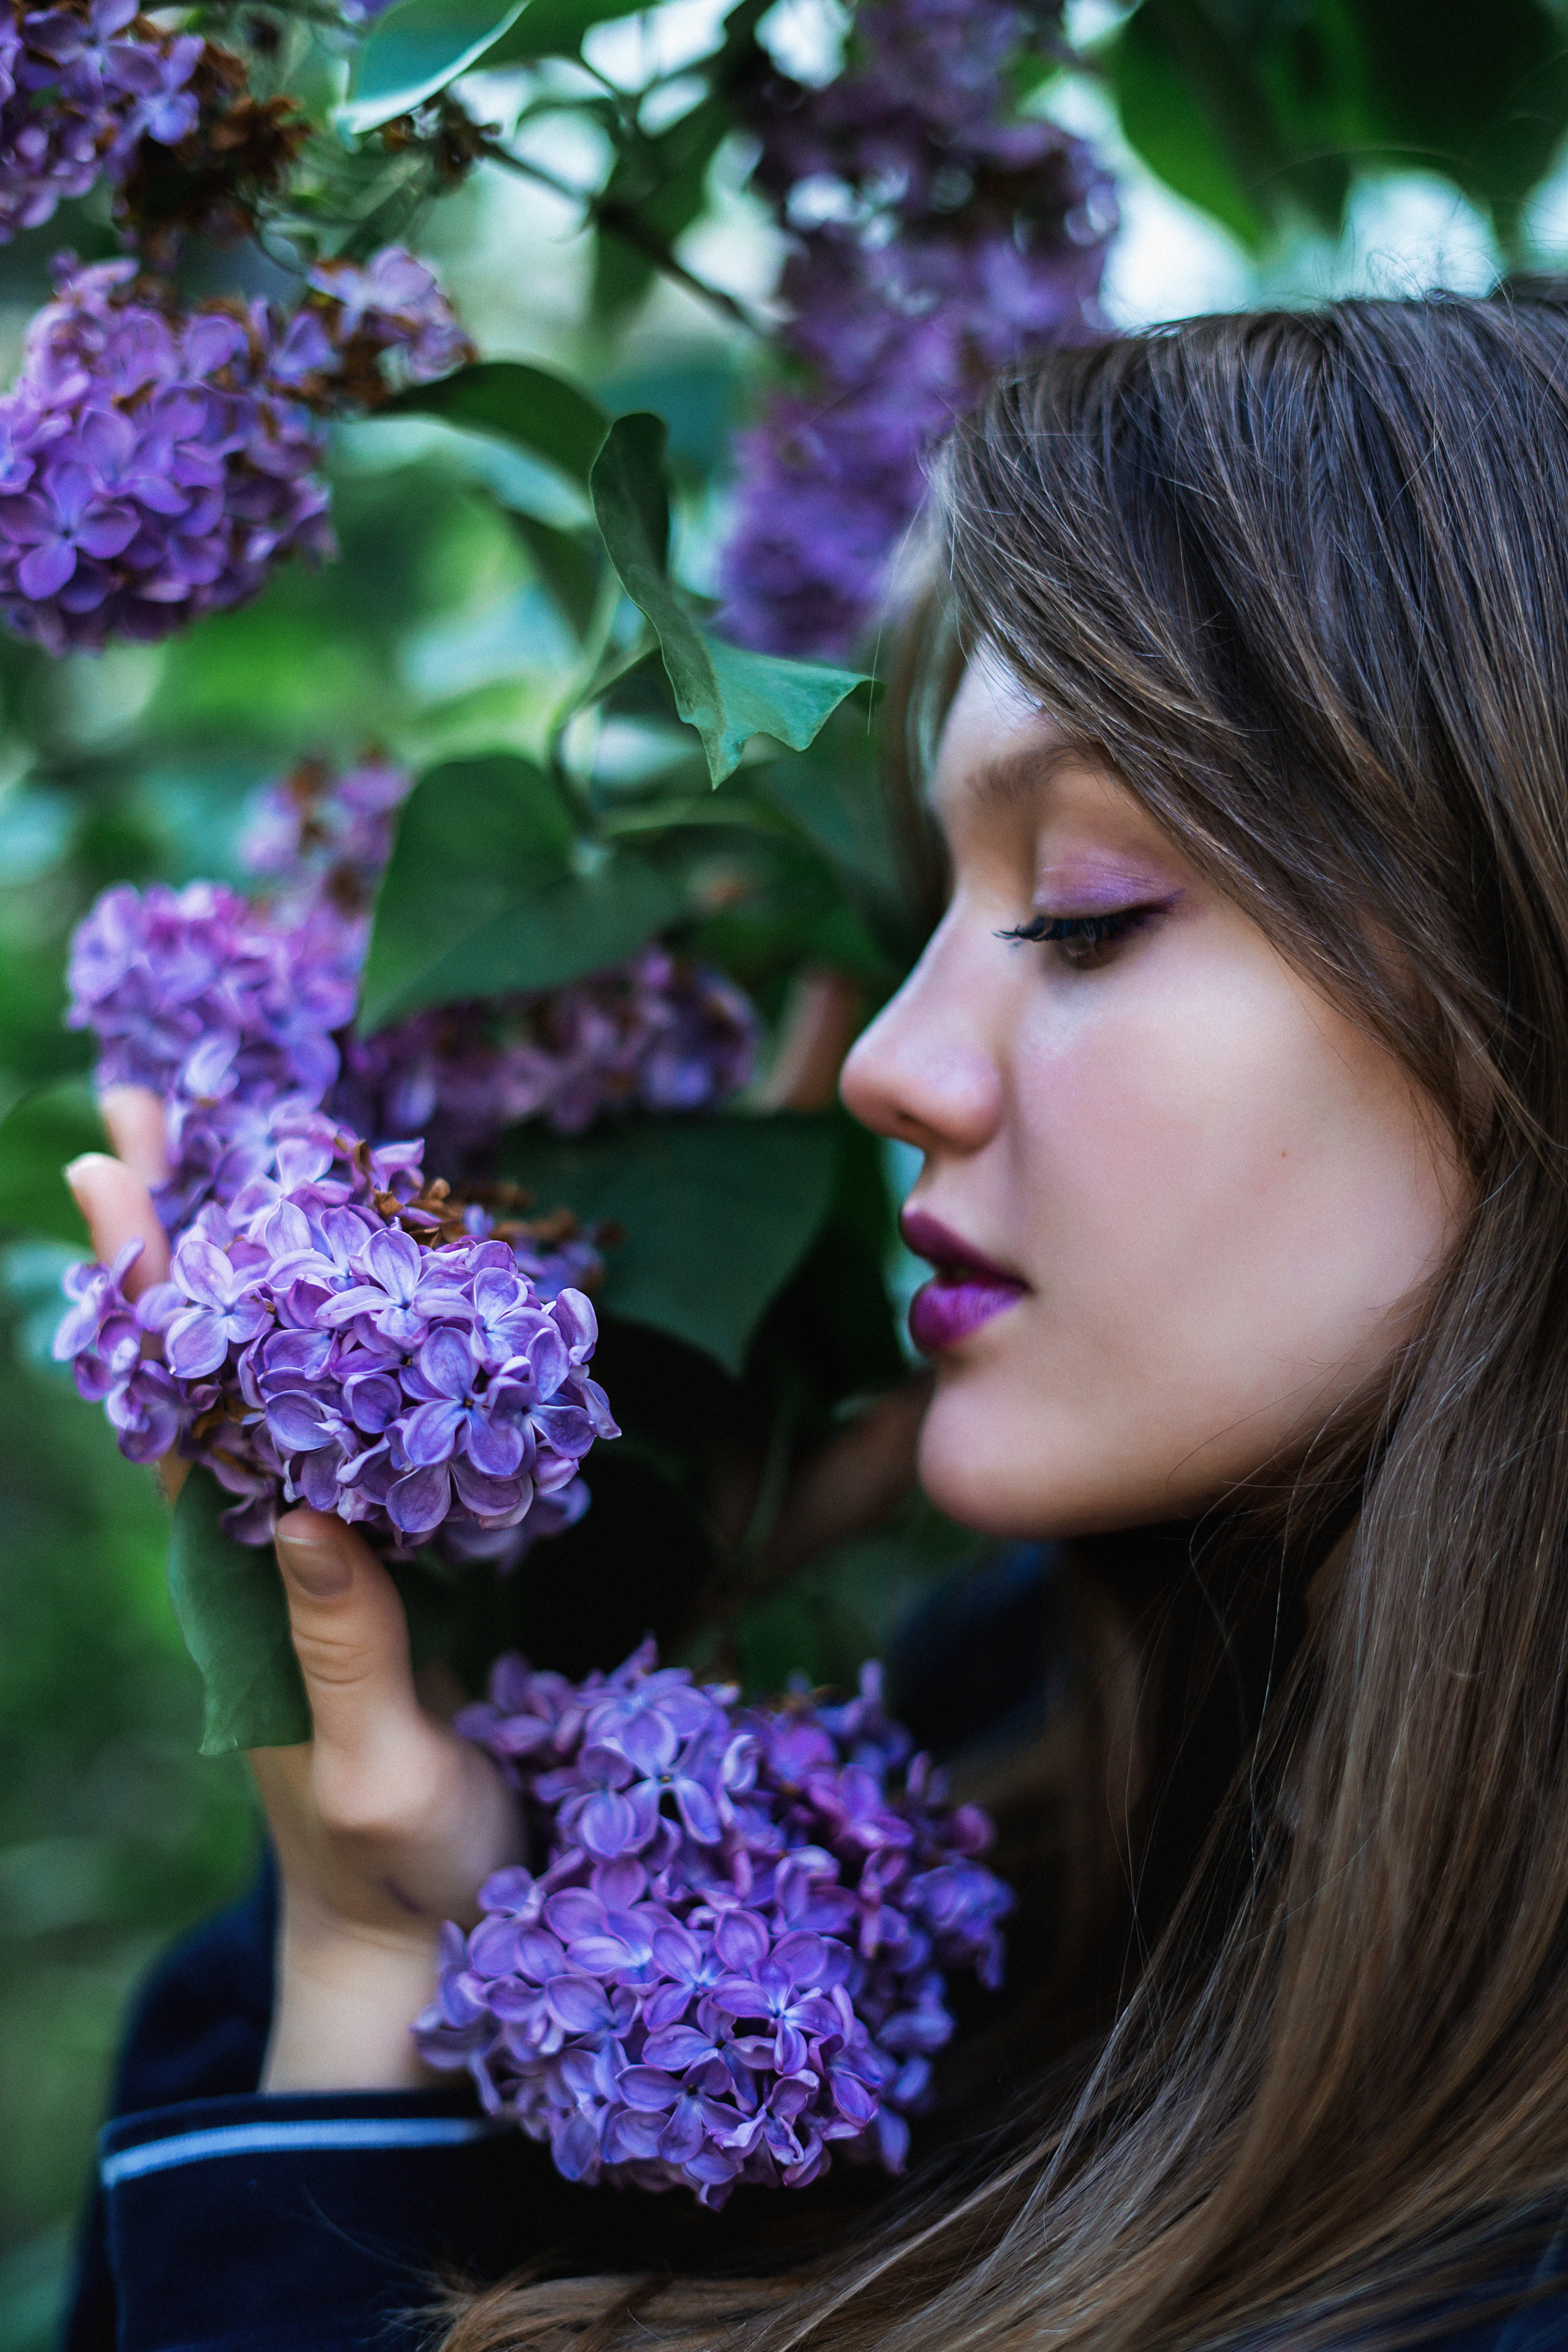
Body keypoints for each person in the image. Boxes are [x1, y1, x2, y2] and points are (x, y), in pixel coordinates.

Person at [59, 284, 1568, 2350]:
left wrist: (367, 1980)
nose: (888, 1067)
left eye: (1088, 914)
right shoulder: (1026, 1780)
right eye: (927, 908)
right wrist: (513, 1730)